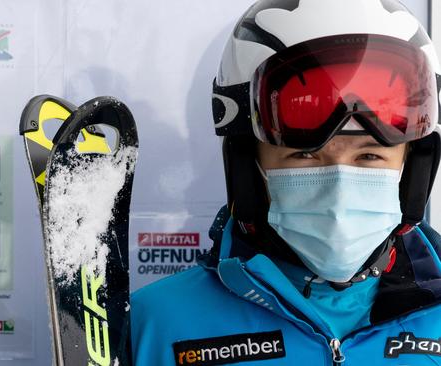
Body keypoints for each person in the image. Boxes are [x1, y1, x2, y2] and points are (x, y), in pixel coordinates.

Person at [131, 0, 441, 364]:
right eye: (304, 155)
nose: (338, 192)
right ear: (250, 165)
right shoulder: (157, 325)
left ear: (411, 168)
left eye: (369, 156)